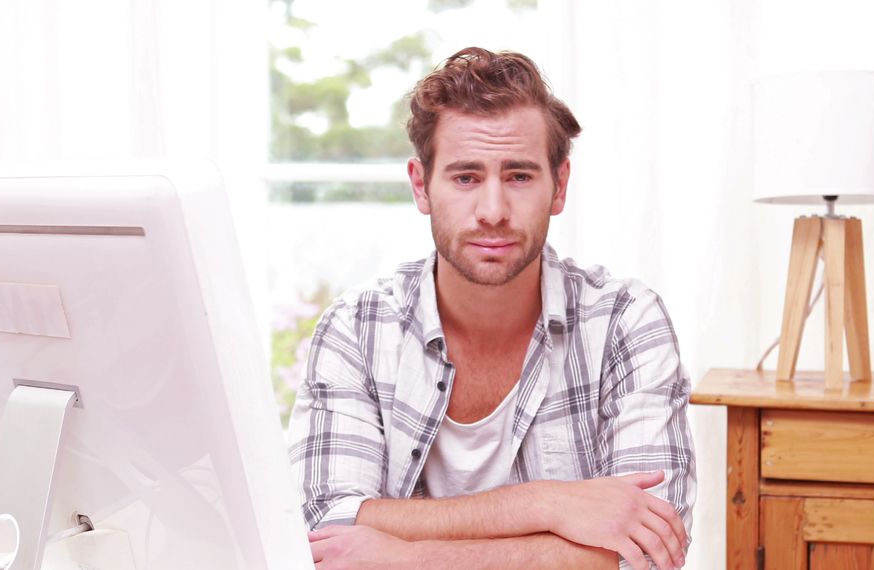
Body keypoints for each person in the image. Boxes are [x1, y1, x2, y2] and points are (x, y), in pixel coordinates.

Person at [288, 46, 696, 570]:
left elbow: (650, 548)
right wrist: (548, 503)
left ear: (560, 185)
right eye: (465, 177)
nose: (493, 211)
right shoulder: (358, 329)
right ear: (421, 185)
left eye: (520, 176)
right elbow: (325, 524)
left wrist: (412, 559)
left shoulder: (625, 321)